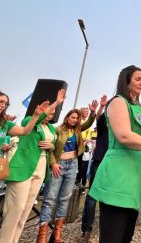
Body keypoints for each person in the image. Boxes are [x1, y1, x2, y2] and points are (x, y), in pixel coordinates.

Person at [89, 65, 141, 243]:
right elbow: (125, 136)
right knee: (113, 236)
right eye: (137, 78)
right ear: (126, 80)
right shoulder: (119, 102)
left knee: (126, 235)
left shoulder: (138, 107)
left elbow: (139, 139)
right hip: (117, 176)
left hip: (133, 178)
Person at [0, 90, 45, 243]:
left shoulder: (3, 125)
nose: (4, 105)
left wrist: (36, 115)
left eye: (6, 104)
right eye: (0, 101)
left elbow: (25, 131)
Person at [0, 90, 66, 243]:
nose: (50, 114)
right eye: (48, 111)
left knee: (24, 213)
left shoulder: (51, 129)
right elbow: (32, 123)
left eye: (53, 112)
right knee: (15, 211)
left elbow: (54, 146)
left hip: (40, 169)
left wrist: (50, 146)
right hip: (23, 168)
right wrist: (55, 102)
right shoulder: (28, 120)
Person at [37, 99, 98, 243]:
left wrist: (93, 112)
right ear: (67, 117)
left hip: (73, 165)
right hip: (58, 165)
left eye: (77, 118)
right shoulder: (57, 129)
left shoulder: (77, 130)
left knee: (64, 199)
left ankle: (57, 234)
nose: (75, 120)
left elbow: (88, 123)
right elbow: (50, 148)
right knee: (50, 199)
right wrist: (53, 163)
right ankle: (42, 236)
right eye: (73, 117)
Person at [81, 94, 108, 243]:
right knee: (92, 196)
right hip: (99, 160)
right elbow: (98, 118)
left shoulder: (123, 123)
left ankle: (107, 228)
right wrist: (102, 107)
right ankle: (87, 229)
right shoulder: (105, 121)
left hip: (114, 163)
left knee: (108, 197)